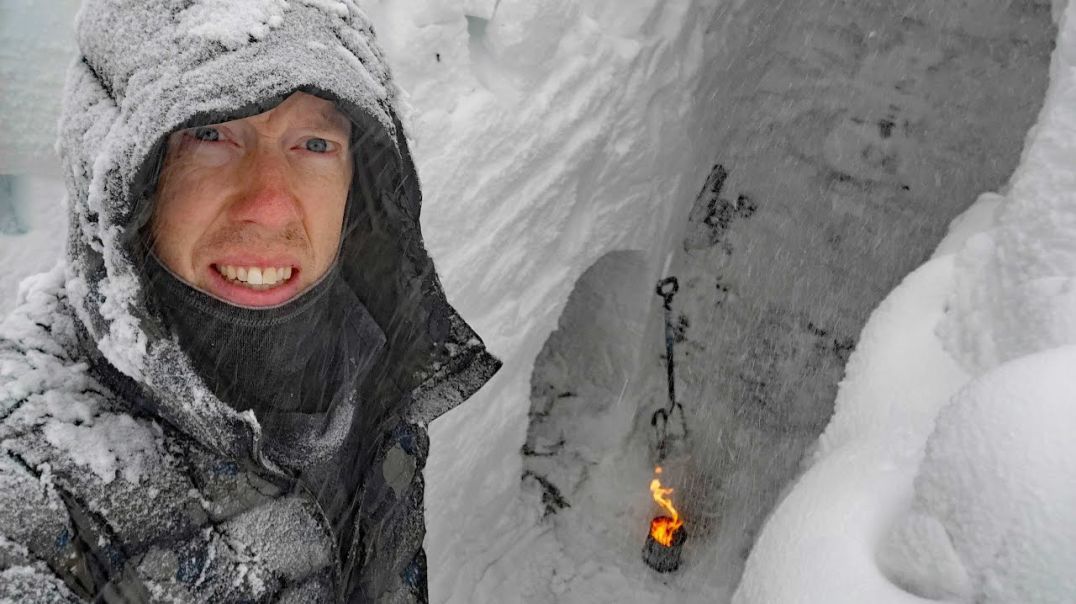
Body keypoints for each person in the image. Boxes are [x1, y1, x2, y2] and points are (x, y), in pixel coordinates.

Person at [0, 0, 500, 602]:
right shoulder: (29, 491)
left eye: (314, 144)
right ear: (120, 178)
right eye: (210, 134)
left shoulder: (373, 364)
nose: (268, 204)